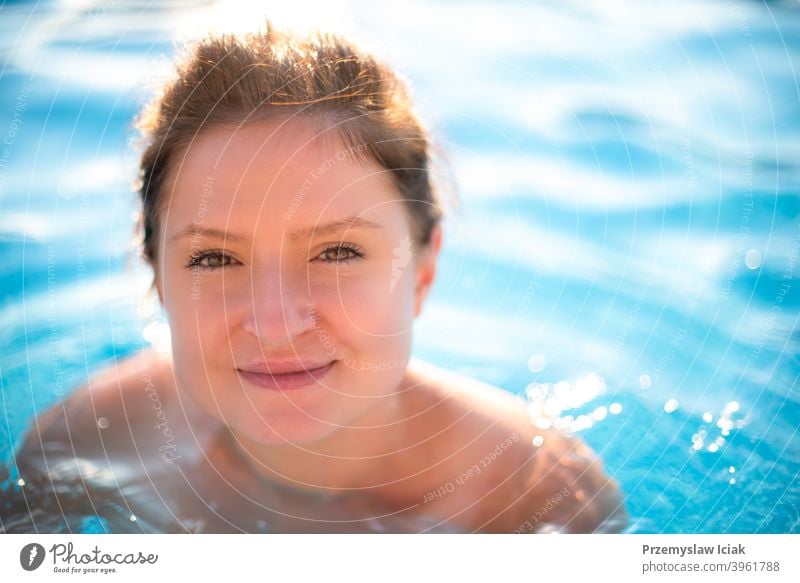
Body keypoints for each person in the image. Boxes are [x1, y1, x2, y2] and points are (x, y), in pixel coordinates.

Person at [2, 23, 626, 534]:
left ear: (423, 271)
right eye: (214, 259)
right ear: (158, 280)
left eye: (337, 252)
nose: (275, 324)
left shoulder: (530, 499)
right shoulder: (90, 443)